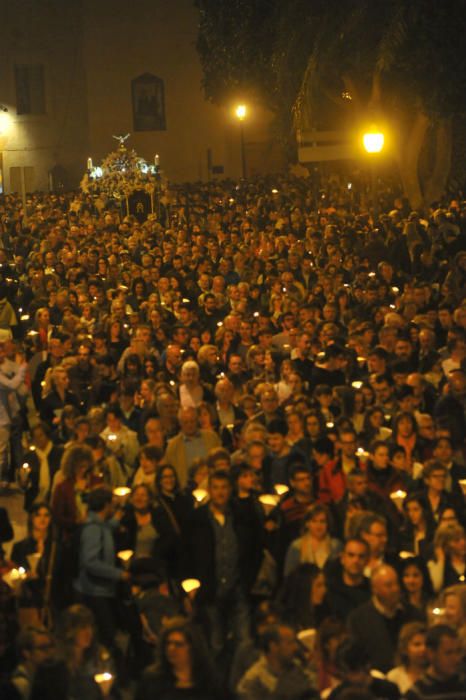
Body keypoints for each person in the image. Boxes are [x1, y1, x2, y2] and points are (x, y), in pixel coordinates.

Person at [185, 470, 262, 658]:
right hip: (211, 589)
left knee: (244, 643)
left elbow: (255, 549)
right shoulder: (198, 519)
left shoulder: (242, 516)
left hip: (238, 587)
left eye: (224, 488)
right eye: (216, 488)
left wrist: (248, 579)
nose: (220, 493)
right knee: (215, 644)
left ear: (231, 490)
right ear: (210, 490)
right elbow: (187, 553)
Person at [73, 487, 129, 651]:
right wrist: (119, 574)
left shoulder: (101, 525)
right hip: (94, 592)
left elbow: (107, 527)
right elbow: (90, 562)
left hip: (101, 590)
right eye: (112, 504)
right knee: (105, 637)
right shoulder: (93, 529)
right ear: (106, 505)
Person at [348, 564, 423, 673]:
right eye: (389, 585)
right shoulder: (359, 619)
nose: (395, 589)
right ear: (375, 589)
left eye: (396, 584)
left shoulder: (413, 614)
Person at [136, 619, 222, 700]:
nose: (171, 648)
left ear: (192, 648)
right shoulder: (152, 680)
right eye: (168, 643)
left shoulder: (209, 682)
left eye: (178, 644)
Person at [236, 623, 319, 700]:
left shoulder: (297, 668)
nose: (295, 647)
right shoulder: (253, 682)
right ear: (273, 646)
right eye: (290, 643)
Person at [164, 406, 220, 487]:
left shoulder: (211, 437)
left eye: (192, 421)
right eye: (186, 422)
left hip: (213, 486)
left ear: (197, 420)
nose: (189, 425)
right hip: (186, 490)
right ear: (180, 423)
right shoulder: (173, 446)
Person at [405, 625, 465, 699]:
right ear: (431, 653)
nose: (457, 659)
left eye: (458, 651)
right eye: (448, 653)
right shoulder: (417, 693)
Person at [386, 622, 428, 694]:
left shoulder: (437, 675)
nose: (423, 649)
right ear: (405, 649)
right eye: (417, 644)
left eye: (427, 644)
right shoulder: (394, 677)